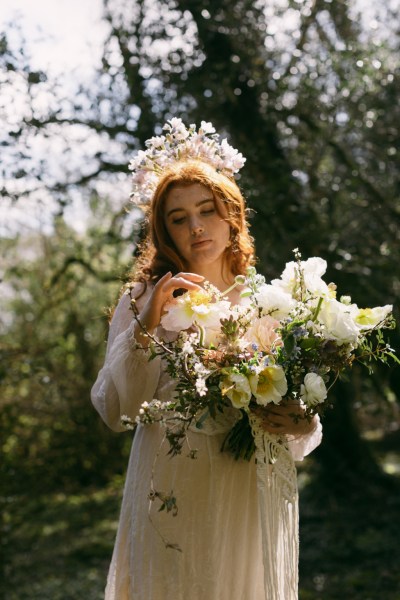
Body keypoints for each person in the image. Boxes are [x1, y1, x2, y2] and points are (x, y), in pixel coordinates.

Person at [91, 120, 322, 600]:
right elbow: (117, 410)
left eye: (206, 210)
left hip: (248, 489)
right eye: (178, 218)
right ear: (163, 230)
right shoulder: (141, 298)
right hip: (174, 485)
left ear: (231, 215)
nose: (196, 226)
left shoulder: (268, 300)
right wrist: (149, 320)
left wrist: (302, 422)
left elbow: (296, 416)